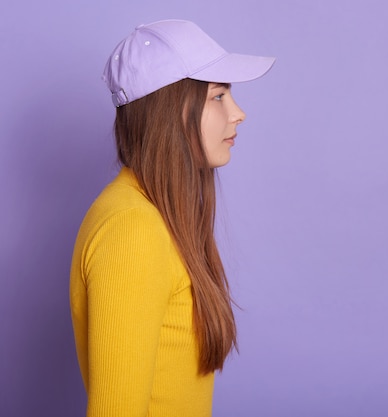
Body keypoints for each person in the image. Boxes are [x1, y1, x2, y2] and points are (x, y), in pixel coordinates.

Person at [69, 19, 275, 417]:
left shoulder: (155, 215)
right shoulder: (132, 229)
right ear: (170, 109)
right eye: (218, 96)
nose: (238, 113)